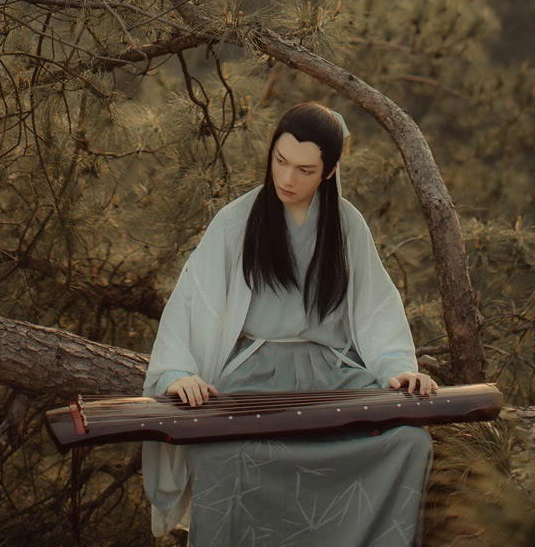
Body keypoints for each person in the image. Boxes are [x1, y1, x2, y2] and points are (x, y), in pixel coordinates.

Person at [142, 101, 436, 545]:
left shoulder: (348, 225)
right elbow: (193, 300)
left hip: (333, 378)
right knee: (220, 455)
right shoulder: (237, 220)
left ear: (330, 172)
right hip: (256, 378)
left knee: (409, 445)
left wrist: (395, 366)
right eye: (280, 161)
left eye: (305, 169)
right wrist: (178, 372)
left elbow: (377, 308)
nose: (286, 179)